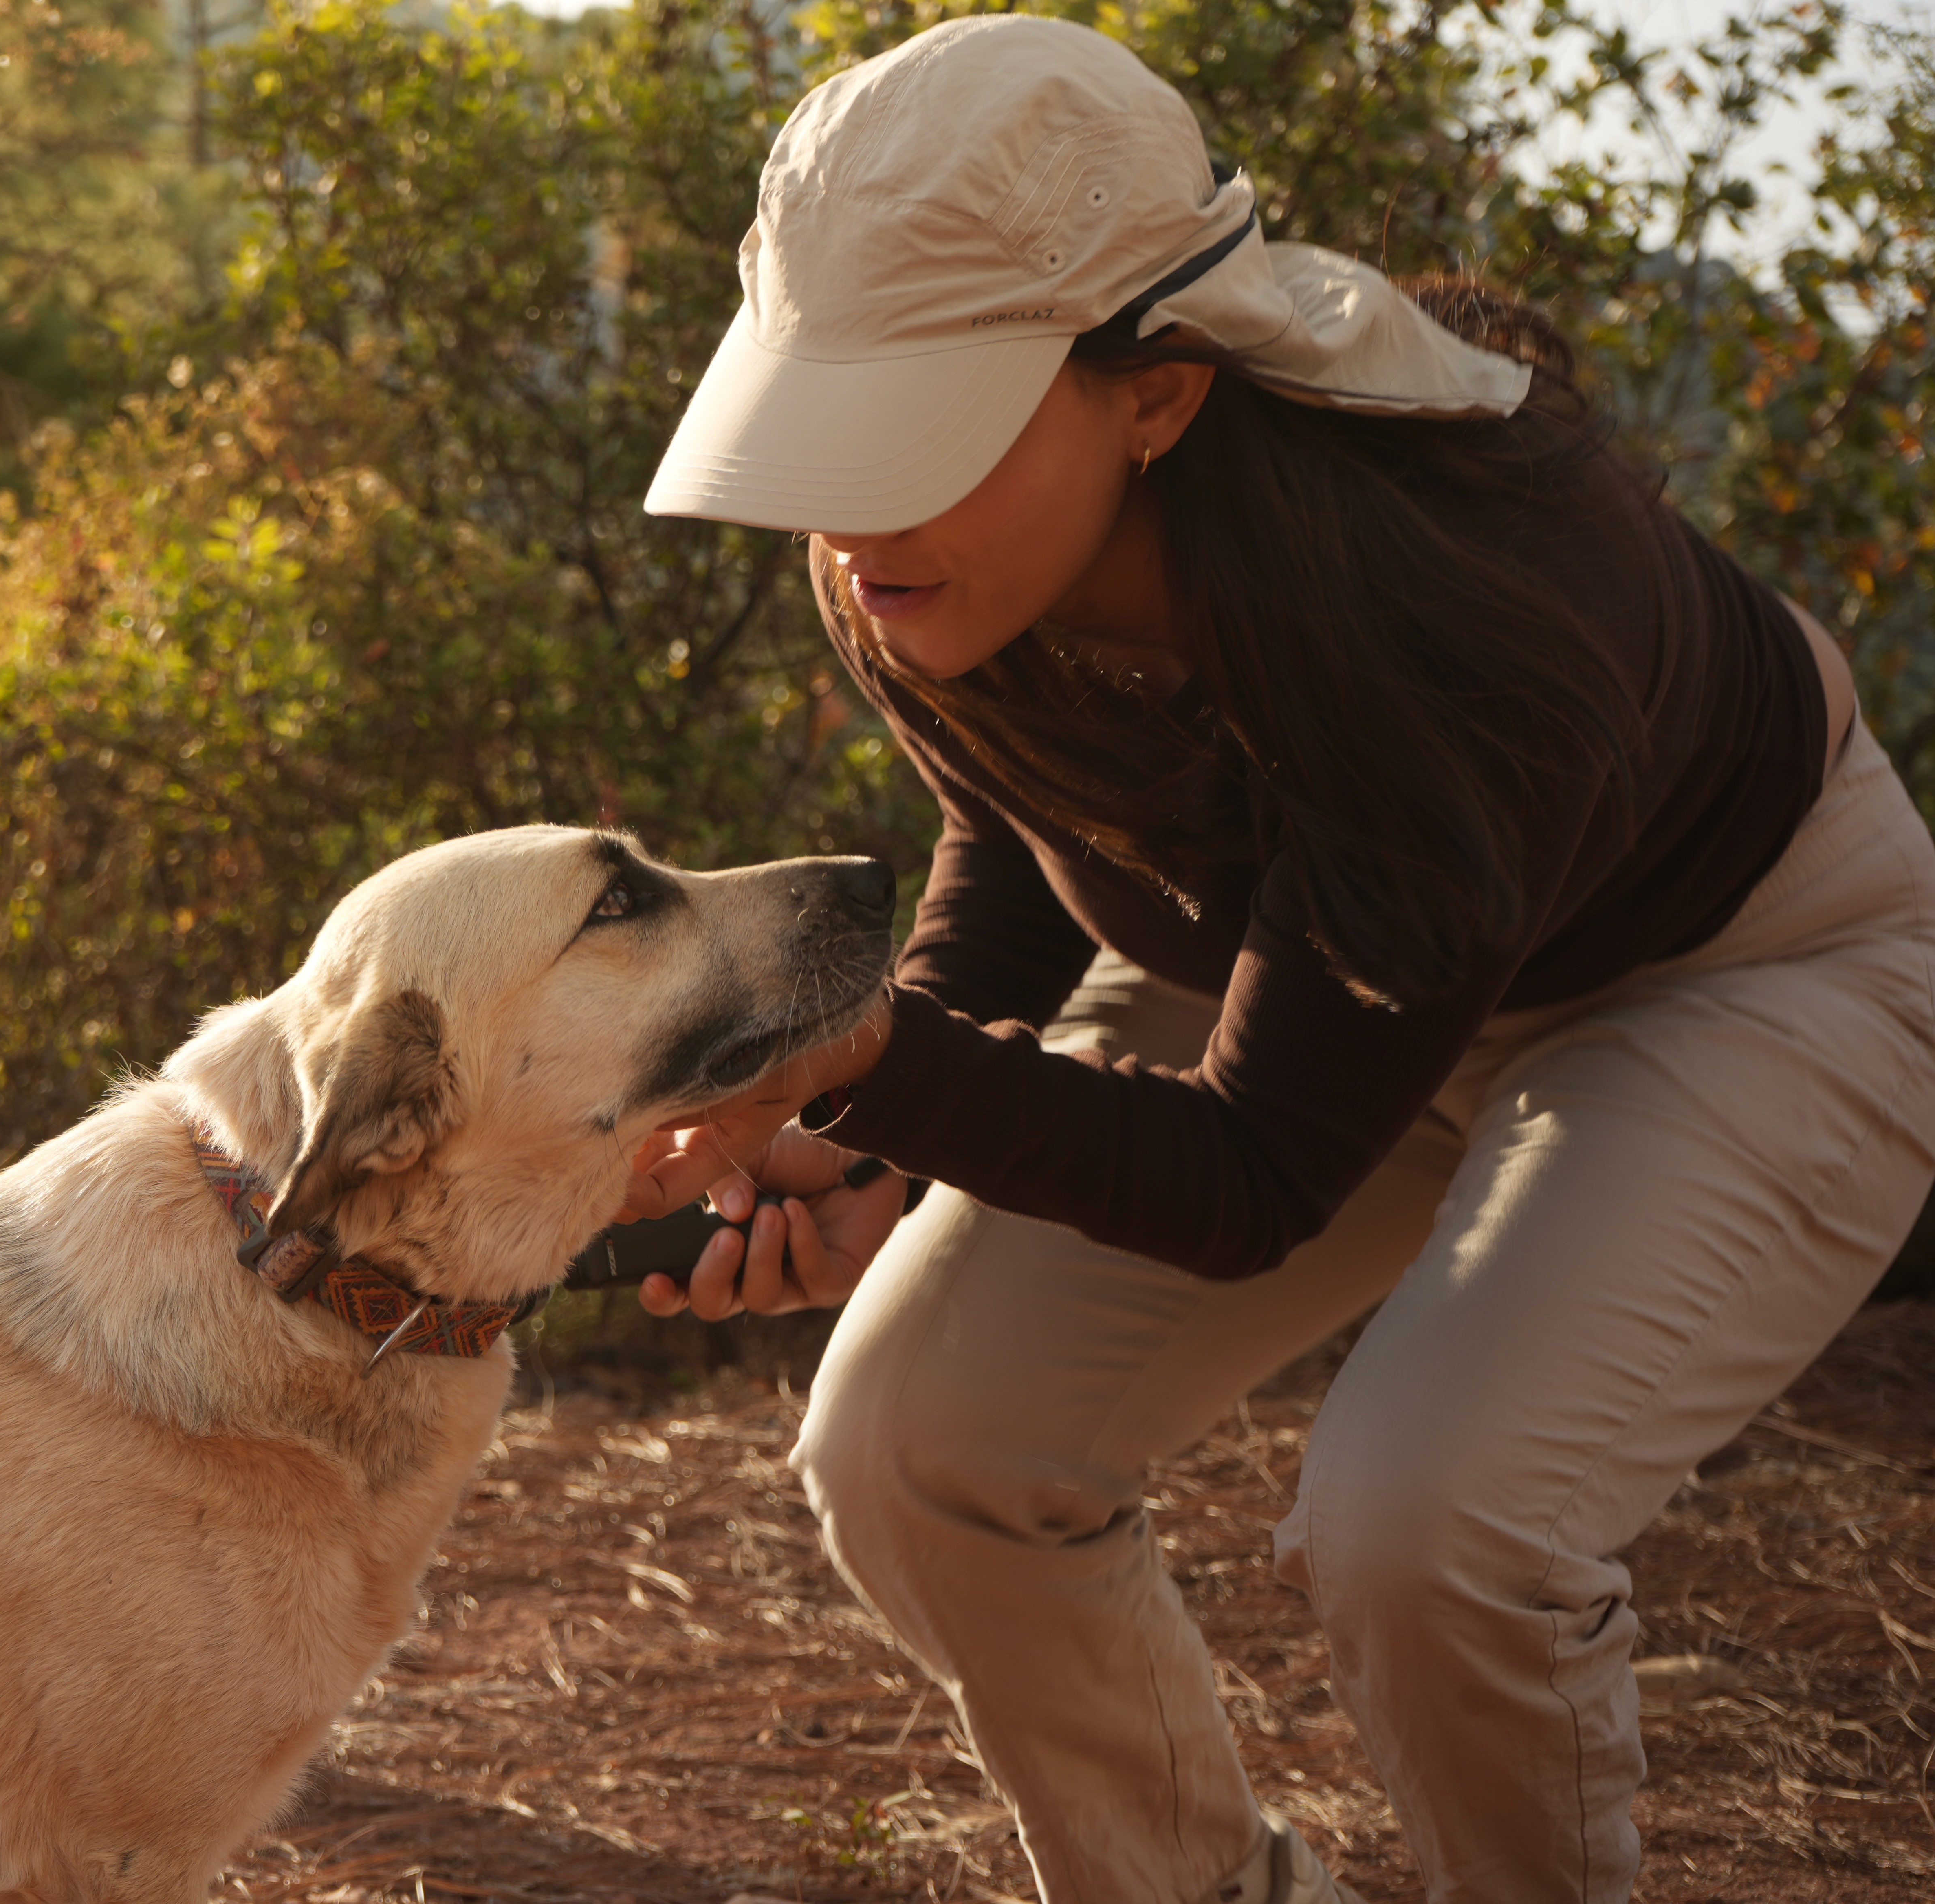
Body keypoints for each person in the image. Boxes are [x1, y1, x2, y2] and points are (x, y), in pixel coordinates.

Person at [619, 17, 1934, 1904]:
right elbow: (1024, 818)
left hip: (1739, 965)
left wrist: (864, 1060)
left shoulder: (1463, 612)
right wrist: (878, 1115)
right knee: (921, 1440)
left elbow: (1251, 1179)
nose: (848, 509)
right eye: (828, 418)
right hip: (1323, 955)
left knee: (1432, 1521)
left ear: (1157, 394)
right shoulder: (907, 552)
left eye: (921, 424)